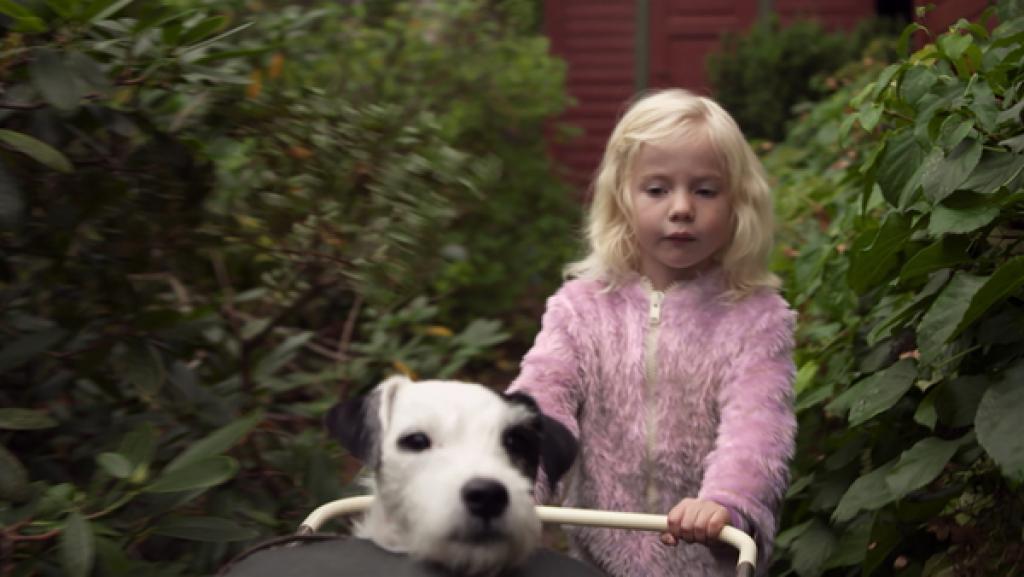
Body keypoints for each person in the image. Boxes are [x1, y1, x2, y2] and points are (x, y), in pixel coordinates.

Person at [506, 88, 796, 577]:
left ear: (738, 203)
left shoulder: (756, 318)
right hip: (597, 558)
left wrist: (726, 502)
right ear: (623, 199)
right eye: (657, 190)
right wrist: (512, 482)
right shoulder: (580, 308)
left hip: (704, 558)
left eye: (705, 191)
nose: (681, 208)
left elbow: (758, 429)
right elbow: (543, 399)